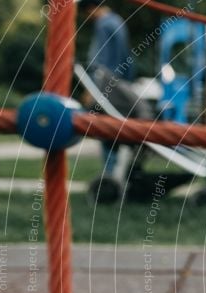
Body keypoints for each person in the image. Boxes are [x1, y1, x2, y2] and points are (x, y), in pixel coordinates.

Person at [78, 0, 132, 177]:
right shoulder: (118, 21)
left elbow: (100, 61)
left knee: (104, 129)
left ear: (91, 9)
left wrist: (90, 89)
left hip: (105, 86)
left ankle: (109, 174)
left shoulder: (103, 25)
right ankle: (119, 170)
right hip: (121, 84)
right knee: (117, 129)